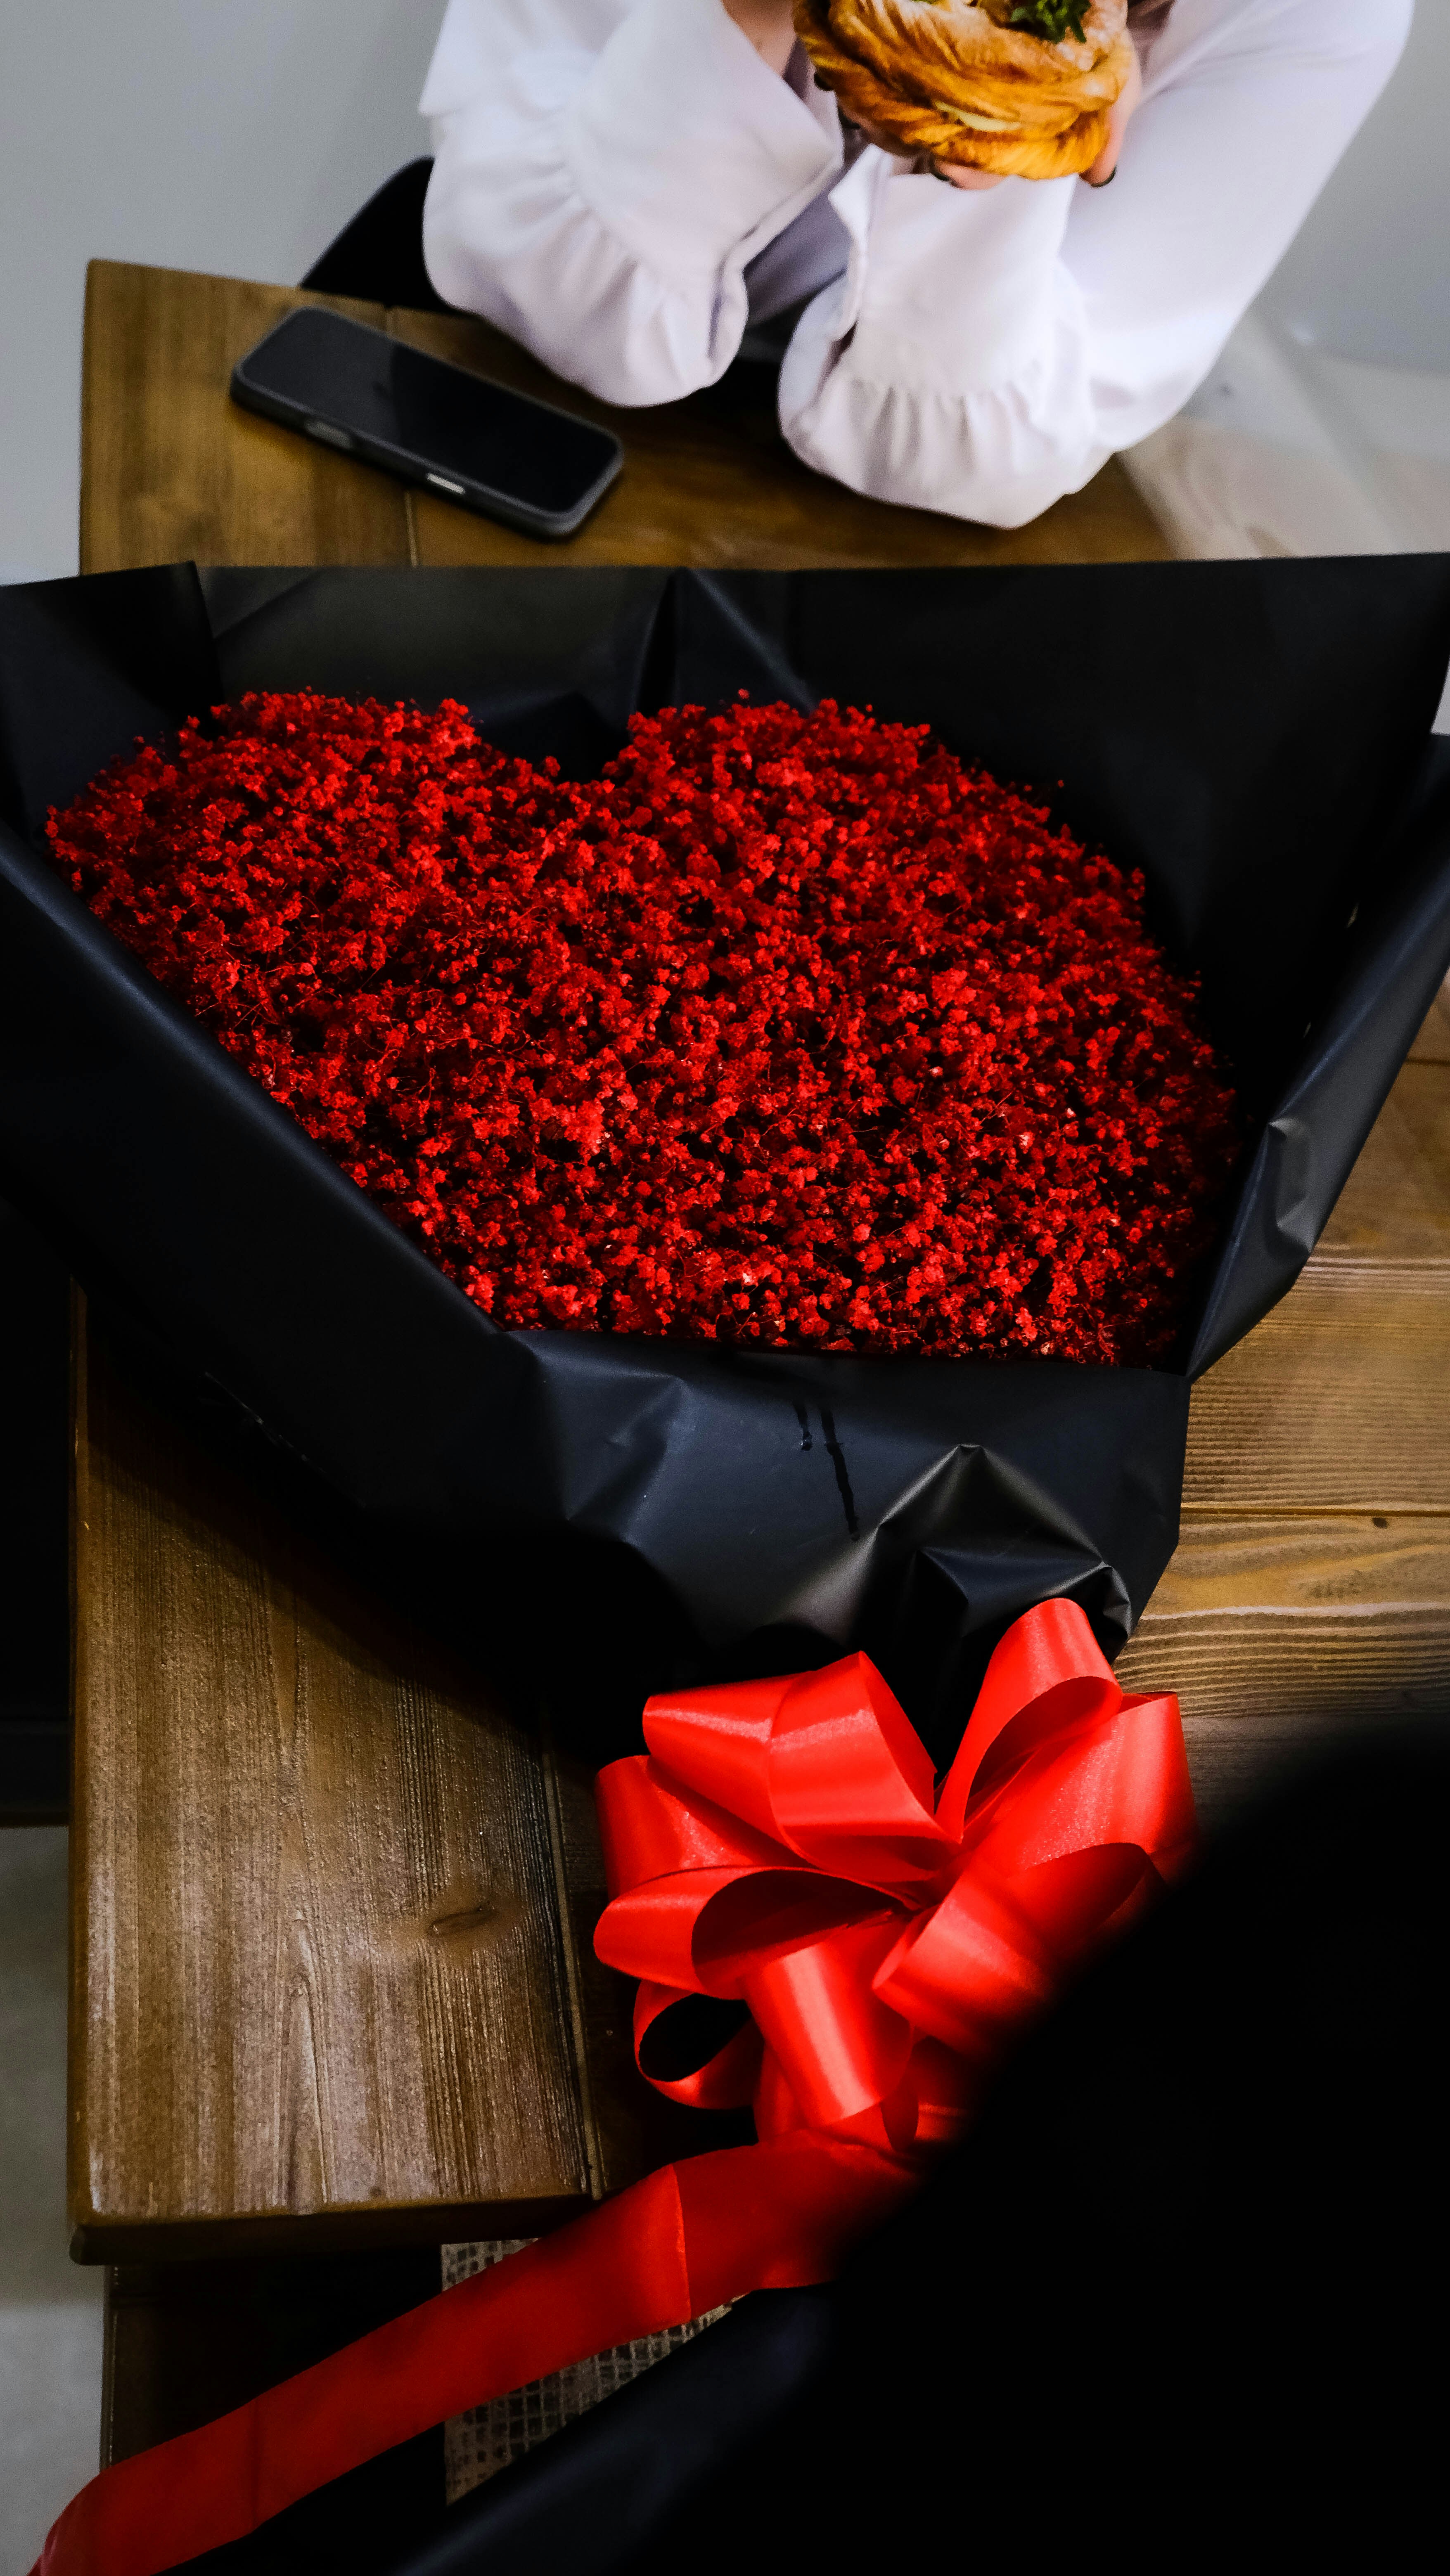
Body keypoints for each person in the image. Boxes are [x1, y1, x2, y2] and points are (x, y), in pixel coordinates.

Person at [416, 0, 1412, 530]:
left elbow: (988, 462)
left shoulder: (1314, 12)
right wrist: (742, 11)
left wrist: (1002, 133)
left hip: (844, 564)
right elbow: (534, 276)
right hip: (476, 395)